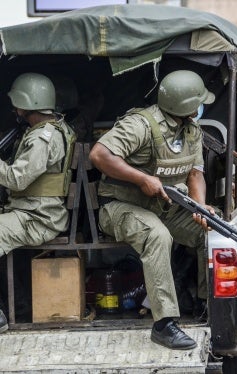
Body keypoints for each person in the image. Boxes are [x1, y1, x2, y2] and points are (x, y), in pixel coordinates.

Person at [89, 70, 215, 350]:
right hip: (119, 208)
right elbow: (99, 154)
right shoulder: (141, 125)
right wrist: (141, 178)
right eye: (197, 102)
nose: (201, 106)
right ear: (184, 105)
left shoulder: (192, 130)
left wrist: (200, 207)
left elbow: (195, 174)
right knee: (157, 235)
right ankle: (164, 324)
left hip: (163, 207)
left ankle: (208, 305)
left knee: (209, 232)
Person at [0, 72, 76, 333]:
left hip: (39, 218)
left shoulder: (42, 137)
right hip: (36, 212)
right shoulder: (57, 128)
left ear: (25, 105)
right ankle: (19, 305)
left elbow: (17, 179)